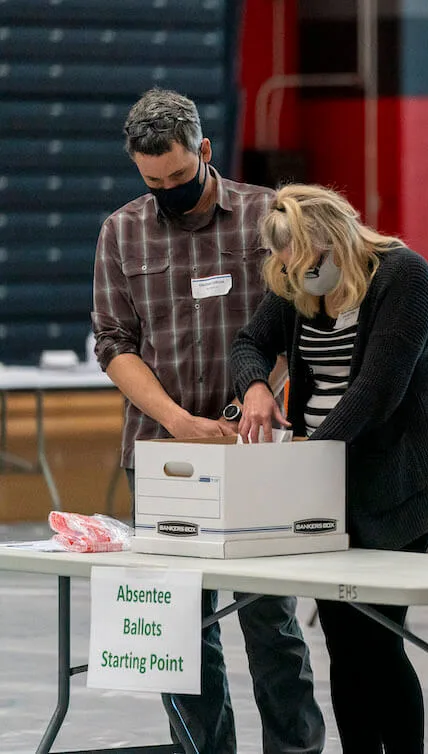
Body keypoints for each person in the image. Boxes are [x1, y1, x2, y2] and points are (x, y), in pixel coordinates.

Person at [91, 88, 325, 753]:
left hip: (256, 447)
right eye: (153, 181)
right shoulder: (121, 230)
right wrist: (178, 422)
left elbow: (310, 317)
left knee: (269, 619)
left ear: (204, 150)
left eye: (178, 175)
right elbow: (114, 342)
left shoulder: (266, 217)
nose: (168, 189)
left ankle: (295, 749)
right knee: (179, 628)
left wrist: (259, 394)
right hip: (166, 454)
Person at [231, 184, 428, 753]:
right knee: (341, 640)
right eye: (282, 261)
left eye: (299, 259)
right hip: (327, 487)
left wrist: (306, 456)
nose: (289, 271)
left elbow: (377, 392)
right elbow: (249, 342)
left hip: (397, 486)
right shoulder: (299, 281)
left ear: (334, 242)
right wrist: (255, 388)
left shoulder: (403, 277)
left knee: (378, 638)